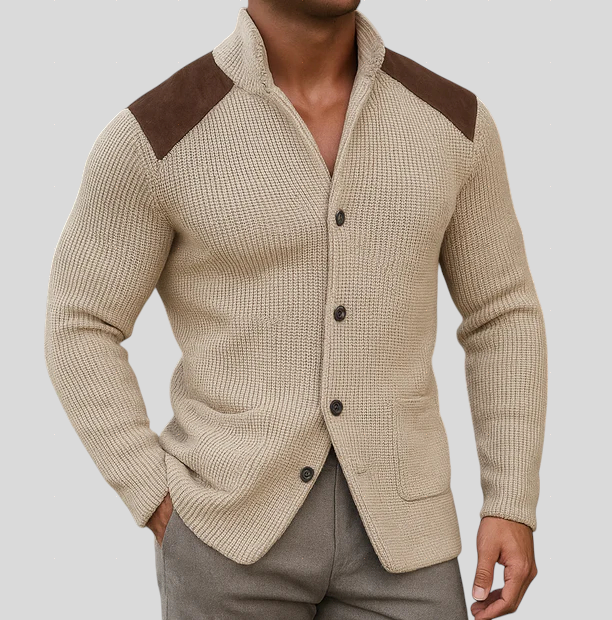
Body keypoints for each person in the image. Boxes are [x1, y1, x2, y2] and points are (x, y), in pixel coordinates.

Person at [44, 1, 547, 619]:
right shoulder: (159, 133)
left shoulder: (452, 123)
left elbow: (502, 314)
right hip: (227, 536)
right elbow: (80, 322)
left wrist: (510, 500)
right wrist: (151, 492)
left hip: (406, 536)